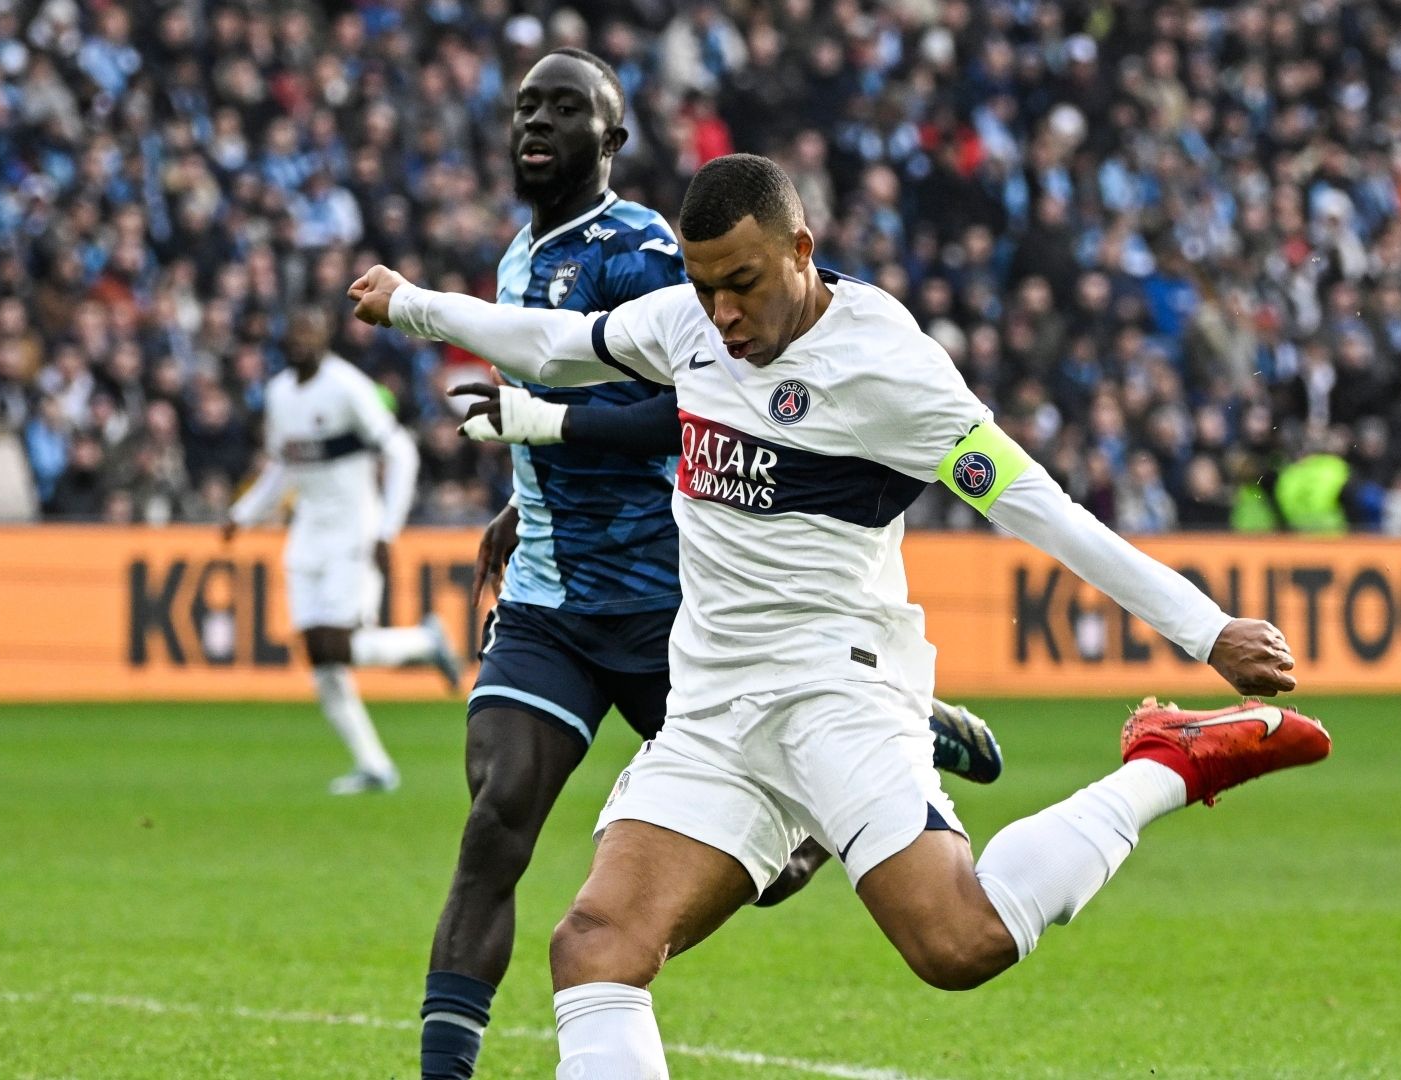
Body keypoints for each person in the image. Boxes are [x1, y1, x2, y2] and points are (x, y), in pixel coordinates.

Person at [351, 153, 1329, 1078]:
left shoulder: (889, 369)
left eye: (744, 283)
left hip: (836, 691)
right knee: (596, 945)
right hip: (711, 712)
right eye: (703, 287)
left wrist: (1206, 630)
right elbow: (564, 348)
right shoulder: (690, 326)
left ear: (802, 252)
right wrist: (415, 309)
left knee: (959, 944)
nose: (724, 313)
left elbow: (1043, 511)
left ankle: (1165, 761)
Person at [415, 52, 1001, 1080]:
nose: (536, 125)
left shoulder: (649, 249)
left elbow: (684, 407)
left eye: (565, 108)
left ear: (615, 138)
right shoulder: (517, 257)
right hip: (552, 602)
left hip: (669, 603)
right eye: (524, 108)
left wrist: (546, 432)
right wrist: (524, 494)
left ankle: (893, 726)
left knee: (762, 874)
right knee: (495, 817)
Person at [223, 305, 462, 796]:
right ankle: (374, 766)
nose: (300, 340)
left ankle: (424, 641)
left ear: (325, 336)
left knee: (336, 643)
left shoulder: (348, 387)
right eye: (293, 331)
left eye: (309, 330)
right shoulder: (279, 394)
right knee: (320, 657)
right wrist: (242, 514)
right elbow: (281, 468)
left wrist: (386, 531)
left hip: (354, 530)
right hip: (308, 533)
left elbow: (401, 452)